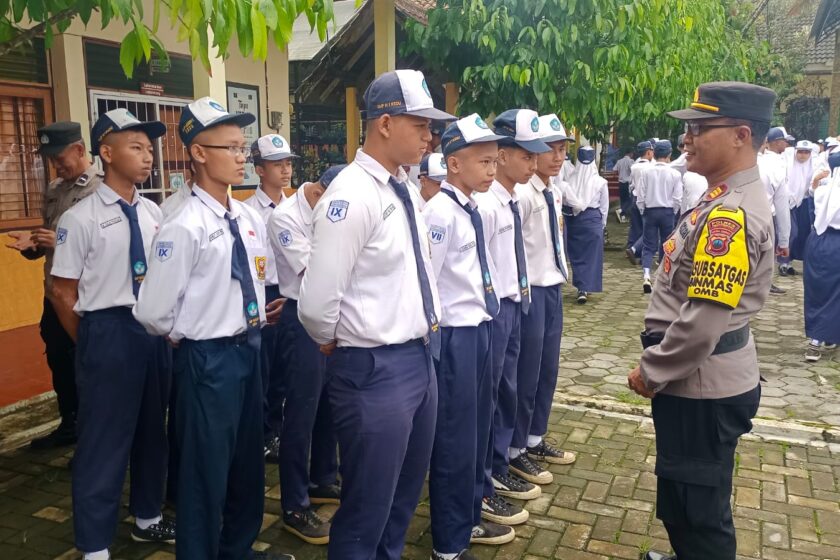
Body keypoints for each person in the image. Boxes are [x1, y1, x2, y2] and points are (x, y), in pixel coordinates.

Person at [298, 69, 455, 559]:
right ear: (384, 124)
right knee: (367, 510)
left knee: (402, 500)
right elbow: (317, 303)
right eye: (420, 124)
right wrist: (335, 340)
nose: (430, 135)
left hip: (418, 358)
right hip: (374, 369)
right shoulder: (351, 194)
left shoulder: (401, 187)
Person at [133, 97, 292, 560]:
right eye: (232, 148)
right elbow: (153, 313)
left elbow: (250, 279)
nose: (242, 157)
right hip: (208, 362)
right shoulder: (182, 225)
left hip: (249, 350)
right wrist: (190, 332)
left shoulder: (244, 217)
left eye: (244, 148)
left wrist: (257, 315)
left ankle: (237, 549)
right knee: (205, 473)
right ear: (199, 153)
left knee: (247, 464)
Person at [628, 81, 777, 560]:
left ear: (739, 134)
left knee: (698, 512)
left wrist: (652, 371)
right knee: (687, 496)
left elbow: (702, 323)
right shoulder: (722, 197)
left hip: (698, 382)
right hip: (700, 380)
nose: (687, 139)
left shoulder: (728, 215)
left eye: (699, 128)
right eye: (687, 128)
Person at [49, 109, 175, 560]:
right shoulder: (79, 219)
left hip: (152, 331)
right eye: (136, 147)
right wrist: (92, 343)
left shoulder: (153, 212)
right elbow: (62, 291)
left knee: (150, 432)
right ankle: (95, 544)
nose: (148, 157)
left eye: (149, 148)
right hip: (108, 330)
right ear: (106, 152)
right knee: (104, 440)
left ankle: (147, 519)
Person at [423, 114, 514, 559]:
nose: (492, 170)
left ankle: (469, 515)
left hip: (480, 329)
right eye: (484, 162)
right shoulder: (439, 214)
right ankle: (449, 540)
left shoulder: (470, 207)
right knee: (455, 439)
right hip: (455, 338)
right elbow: (429, 282)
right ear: (453, 164)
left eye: (495, 161)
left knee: (476, 432)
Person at [474, 113, 552, 528]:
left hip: (514, 302)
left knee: (508, 391)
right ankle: (488, 474)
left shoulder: (507, 200)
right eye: (526, 155)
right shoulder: (485, 205)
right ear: (501, 155)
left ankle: (500, 463)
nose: (534, 163)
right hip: (495, 310)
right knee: (492, 397)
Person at [5, 122, 103, 449]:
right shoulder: (55, 189)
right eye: (51, 159)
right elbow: (52, 235)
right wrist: (34, 244)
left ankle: (94, 435)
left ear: (79, 149)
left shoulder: (101, 191)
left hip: (87, 296)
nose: (56, 165)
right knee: (60, 362)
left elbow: (105, 247)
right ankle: (69, 424)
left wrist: (59, 242)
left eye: (60, 157)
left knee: (87, 367)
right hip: (55, 294)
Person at [267, 165, 345, 544]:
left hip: (336, 315)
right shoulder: (285, 217)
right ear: (319, 191)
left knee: (329, 403)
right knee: (300, 413)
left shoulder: (331, 209)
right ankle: (295, 505)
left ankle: (322, 479)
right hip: (301, 319)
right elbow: (314, 270)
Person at [504, 109, 577, 488]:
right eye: (550, 149)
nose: (557, 156)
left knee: (547, 368)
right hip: (528, 290)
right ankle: (516, 447)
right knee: (525, 373)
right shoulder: (523, 193)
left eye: (563, 148)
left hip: (552, 288)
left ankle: (535, 437)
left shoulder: (554, 189)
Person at [245, 133, 295, 461]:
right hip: (263, 294)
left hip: (289, 296)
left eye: (288, 163)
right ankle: (260, 433)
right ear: (259, 169)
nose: (286, 170)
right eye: (277, 164)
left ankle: (276, 430)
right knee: (261, 369)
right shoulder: (248, 212)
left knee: (284, 369)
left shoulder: (296, 209)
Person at [803, 151, 840, 362]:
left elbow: (812, 197)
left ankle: (818, 338)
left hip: (818, 241)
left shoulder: (824, 190)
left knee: (817, 290)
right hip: (835, 242)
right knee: (835, 293)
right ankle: (826, 335)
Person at [636, 140, 683, 293]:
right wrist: (674, 211)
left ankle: (646, 275)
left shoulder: (646, 172)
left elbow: (640, 195)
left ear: (654, 154)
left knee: (649, 245)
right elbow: (678, 198)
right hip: (667, 211)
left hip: (650, 211)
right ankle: (663, 277)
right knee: (666, 244)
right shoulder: (675, 173)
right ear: (669, 154)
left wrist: (643, 210)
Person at [564, 145, 608, 303]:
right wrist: (602, 224)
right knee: (591, 256)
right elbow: (604, 207)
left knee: (578, 255)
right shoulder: (601, 182)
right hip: (593, 219)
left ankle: (581, 287)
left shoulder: (570, 180)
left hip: (575, 221)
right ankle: (586, 287)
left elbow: (566, 200)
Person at [781, 140, 827, 275]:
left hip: (805, 202)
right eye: (800, 151)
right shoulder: (787, 164)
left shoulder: (815, 165)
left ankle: (800, 262)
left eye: (806, 152)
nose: (803, 155)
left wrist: (818, 180)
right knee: (790, 232)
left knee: (804, 233)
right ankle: (784, 262)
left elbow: (816, 187)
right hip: (787, 202)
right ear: (795, 151)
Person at [757, 140, 790, 295]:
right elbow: (783, 208)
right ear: (765, 143)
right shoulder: (775, 167)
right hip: (764, 219)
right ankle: (763, 286)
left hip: (727, 217)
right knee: (763, 261)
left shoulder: (725, 161)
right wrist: (784, 242)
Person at [625, 141, 654, 265]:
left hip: (635, 198)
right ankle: (641, 254)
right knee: (647, 230)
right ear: (648, 152)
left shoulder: (634, 166)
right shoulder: (651, 168)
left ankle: (632, 248)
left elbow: (631, 184)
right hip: (646, 201)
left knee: (635, 227)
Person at [613, 147, 635, 223]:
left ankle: (622, 216)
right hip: (627, 183)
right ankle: (622, 212)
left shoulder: (619, 161)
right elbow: (633, 170)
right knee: (629, 200)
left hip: (620, 183)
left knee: (622, 200)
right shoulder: (631, 161)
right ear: (630, 153)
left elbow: (614, 170)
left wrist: (620, 174)